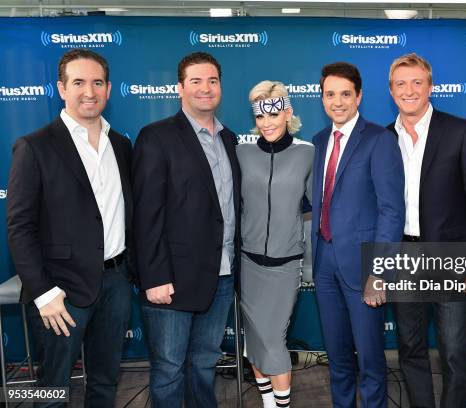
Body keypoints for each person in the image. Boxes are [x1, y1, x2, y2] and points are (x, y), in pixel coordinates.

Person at [7, 48, 133, 407]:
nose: (88, 92)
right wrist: (44, 293)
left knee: (105, 383)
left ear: (108, 89)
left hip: (115, 283)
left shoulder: (121, 145)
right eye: (78, 82)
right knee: (52, 390)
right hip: (58, 292)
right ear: (61, 88)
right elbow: (20, 227)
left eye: (96, 83)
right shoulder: (34, 147)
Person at [132, 52, 241, 407]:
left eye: (212, 81)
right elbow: (147, 213)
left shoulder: (231, 140)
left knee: (204, 365)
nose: (205, 89)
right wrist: (154, 277)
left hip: (221, 276)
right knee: (168, 370)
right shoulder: (156, 137)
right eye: (195, 81)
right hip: (172, 280)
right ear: (180, 88)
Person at [386, 53, 466, 408]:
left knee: (454, 351)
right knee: (410, 348)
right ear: (391, 90)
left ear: (431, 87)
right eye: (401, 83)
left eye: (417, 82)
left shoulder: (460, 131)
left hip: (452, 260)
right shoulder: (383, 138)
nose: (409, 90)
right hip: (403, 259)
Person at [311, 62, 405, 408]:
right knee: (337, 359)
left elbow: (391, 211)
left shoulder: (380, 139)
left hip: (364, 267)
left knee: (370, 361)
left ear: (359, 96)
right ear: (322, 97)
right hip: (324, 263)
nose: (337, 102)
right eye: (330, 94)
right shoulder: (320, 141)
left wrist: (379, 273)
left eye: (345, 94)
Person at [237, 80, 313, 408]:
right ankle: (270, 403)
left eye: (274, 113)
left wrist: (309, 262)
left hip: (284, 265)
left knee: (273, 341)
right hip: (248, 263)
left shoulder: (307, 153)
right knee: (254, 341)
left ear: (287, 113)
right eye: (260, 116)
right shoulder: (241, 153)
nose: (267, 122)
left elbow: (315, 210)